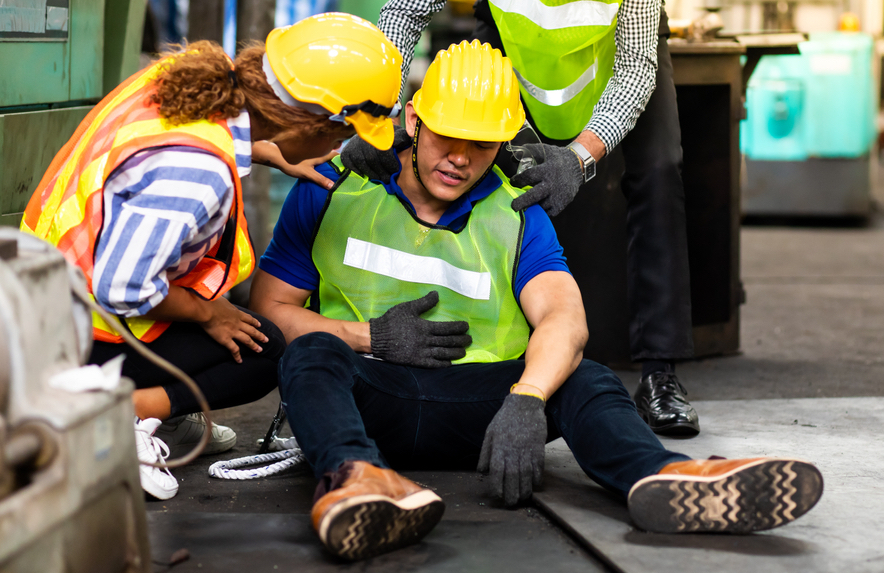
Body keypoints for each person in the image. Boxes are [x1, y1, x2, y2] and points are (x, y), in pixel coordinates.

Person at [251, 41, 822, 562]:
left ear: (504, 142)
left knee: (587, 377)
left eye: (481, 143)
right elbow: (270, 311)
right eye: (447, 135)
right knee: (311, 354)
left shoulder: (517, 211)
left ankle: (666, 477)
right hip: (371, 394)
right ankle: (358, 481)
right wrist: (370, 337)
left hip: (486, 412)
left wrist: (527, 399)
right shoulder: (331, 188)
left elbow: (563, 317)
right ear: (413, 119)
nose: (460, 158)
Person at [20, 13, 403, 500]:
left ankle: (159, 411)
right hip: (71, 333)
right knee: (262, 350)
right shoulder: (196, 172)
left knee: (242, 332)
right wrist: (208, 312)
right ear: (310, 122)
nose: (338, 146)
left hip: (44, 295)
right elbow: (122, 287)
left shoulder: (193, 72)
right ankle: (111, 417)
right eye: (340, 132)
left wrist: (268, 150)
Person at [335, 0, 700, 438]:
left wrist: (580, 156)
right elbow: (404, 12)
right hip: (513, 43)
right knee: (497, 170)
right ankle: (499, 353)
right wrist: (379, 115)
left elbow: (636, 69)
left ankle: (660, 373)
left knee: (660, 169)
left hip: (617, 56)